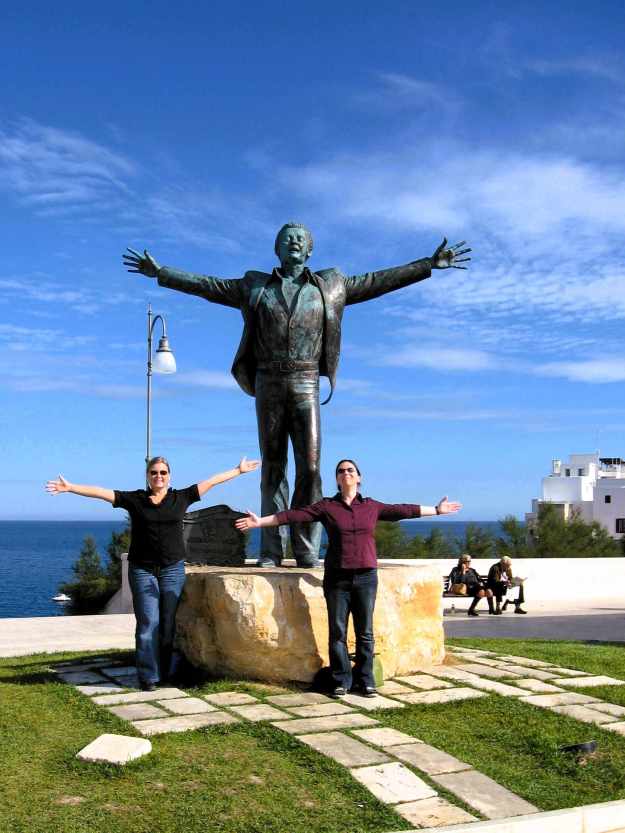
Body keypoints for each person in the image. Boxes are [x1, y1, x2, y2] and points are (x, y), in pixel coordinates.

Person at [124, 226, 470, 568]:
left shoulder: (331, 284)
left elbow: (377, 282)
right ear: (277, 248)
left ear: (309, 252)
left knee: (312, 468)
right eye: (287, 238)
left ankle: (306, 548)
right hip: (268, 381)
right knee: (272, 467)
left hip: (306, 380)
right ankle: (271, 551)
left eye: (300, 240)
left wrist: (427, 264)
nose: (294, 242)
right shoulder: (255, 285)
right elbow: (209, 286)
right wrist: (162, 273)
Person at [235, 458, 461, 697]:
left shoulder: (371, 506)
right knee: (338, 632)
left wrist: (436, 510)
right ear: (337, 479)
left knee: (365, 632)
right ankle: (341, 680)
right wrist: (260, 522)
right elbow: (294, 516)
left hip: (365, 577)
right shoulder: (327, 507)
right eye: (341, 471)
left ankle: (366, 680)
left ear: (359, 477)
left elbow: (402, 510)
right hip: (337, 578)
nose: (346, 473)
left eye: (350, 470)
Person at [46, 455, 260, 690]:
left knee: (168, 624)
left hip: (172, 570)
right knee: (148, 622)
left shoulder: (182, 497)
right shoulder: (135, 499)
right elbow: (101, 492)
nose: (159, 476)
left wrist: (238, 471)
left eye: (163, 472)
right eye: (154, 472)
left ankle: (167, 673)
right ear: (148, 476)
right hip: (142, 570)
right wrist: (70, 488)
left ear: (170, 476)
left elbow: (212, 481)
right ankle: (149, 676)